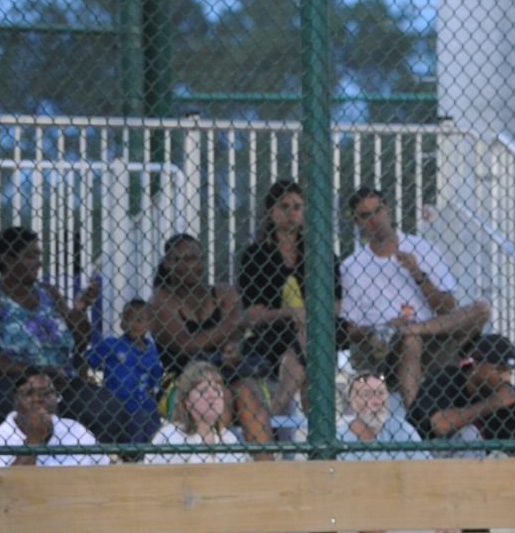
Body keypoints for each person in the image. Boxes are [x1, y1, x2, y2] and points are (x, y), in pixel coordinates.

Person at [0, 226, 117, 437]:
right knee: (32, 410)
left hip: (57, 383)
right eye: (30, 256)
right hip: (4, 383)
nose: (38, 262)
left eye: (38, 255)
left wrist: (80, 309)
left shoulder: (49, 293)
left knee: (107, 406)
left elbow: (78, 343)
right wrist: (31, 372)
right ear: (7, 259)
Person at [339, 186, 490, 392]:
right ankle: (414, 415)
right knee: (411, 340)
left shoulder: (423, 248)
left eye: (378, 210)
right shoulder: (352, 266)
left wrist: (419, 275)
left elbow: (447, 308)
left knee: (481, 309)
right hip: (383, 350)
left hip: (433, 338)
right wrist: (382, 327)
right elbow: (350, 327)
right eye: (366, 215)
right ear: (358, 222)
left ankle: (411, 329)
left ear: (388, 209)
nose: (375, 219)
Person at [149, 234, 273, 444]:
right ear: (168, 263)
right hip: (182, 378)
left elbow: (233, 339)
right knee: (213, 396)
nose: (190, 265)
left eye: (195, 258)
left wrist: (233, 347)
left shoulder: (224, 292)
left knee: (243, 392)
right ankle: (211, 462)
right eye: (181, 259)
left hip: (229, 372)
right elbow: (187, 346)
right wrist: (231, 323)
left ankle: (264, 467)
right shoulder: (161, 300)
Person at [234, 178, 336, 423]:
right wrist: (292, 314)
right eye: (284, 206)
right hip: (272, 334)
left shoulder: (318, 253)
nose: (291, 212)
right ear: (272, 211)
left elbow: (337, 303)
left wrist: (309, 316)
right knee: (310, 346)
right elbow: (253, 314)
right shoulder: (255, 256)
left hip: (318, 330)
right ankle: (319, 428)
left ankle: (275, 410)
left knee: (309, 338)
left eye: (297, 207)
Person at [406, 333, 515, 455]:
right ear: (477, 363)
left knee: (501, 457)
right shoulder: (446, 378)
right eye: (499, 369)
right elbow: (440, 425)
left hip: (481, 465)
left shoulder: (507, 394)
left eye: (509, 372)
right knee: (469, 434)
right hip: (421, 454)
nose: (506, 378)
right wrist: (493, 403)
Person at [0, 367, 113, 467]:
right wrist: (34, 441)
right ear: (16, 399)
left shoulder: (75, 430)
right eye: (29, 393)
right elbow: (2, 493)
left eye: (46, 393)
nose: (38, 399)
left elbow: (105, 469)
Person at [86, 298, 165, 446]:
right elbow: (88, 361)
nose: (132, 324)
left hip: (143, 405)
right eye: (128, 319)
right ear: (122, 322)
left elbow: (156, 378)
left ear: (148, 324)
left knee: (152, 432)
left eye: (139, 320)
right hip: (116, 405)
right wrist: (89, 380)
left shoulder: (151, 350)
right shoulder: (112, 345)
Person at [144, 360, 251, 464]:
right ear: (186, 401)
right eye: (203, 390)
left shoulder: (229, 439)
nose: (212, 395)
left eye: (217, 389)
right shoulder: (171, 436)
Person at [338, 371, 432, 460]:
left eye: (381, 393)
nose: (377, 402)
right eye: (366, 395)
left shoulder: (401, 429)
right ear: (350, 404)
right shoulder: (338, 438)